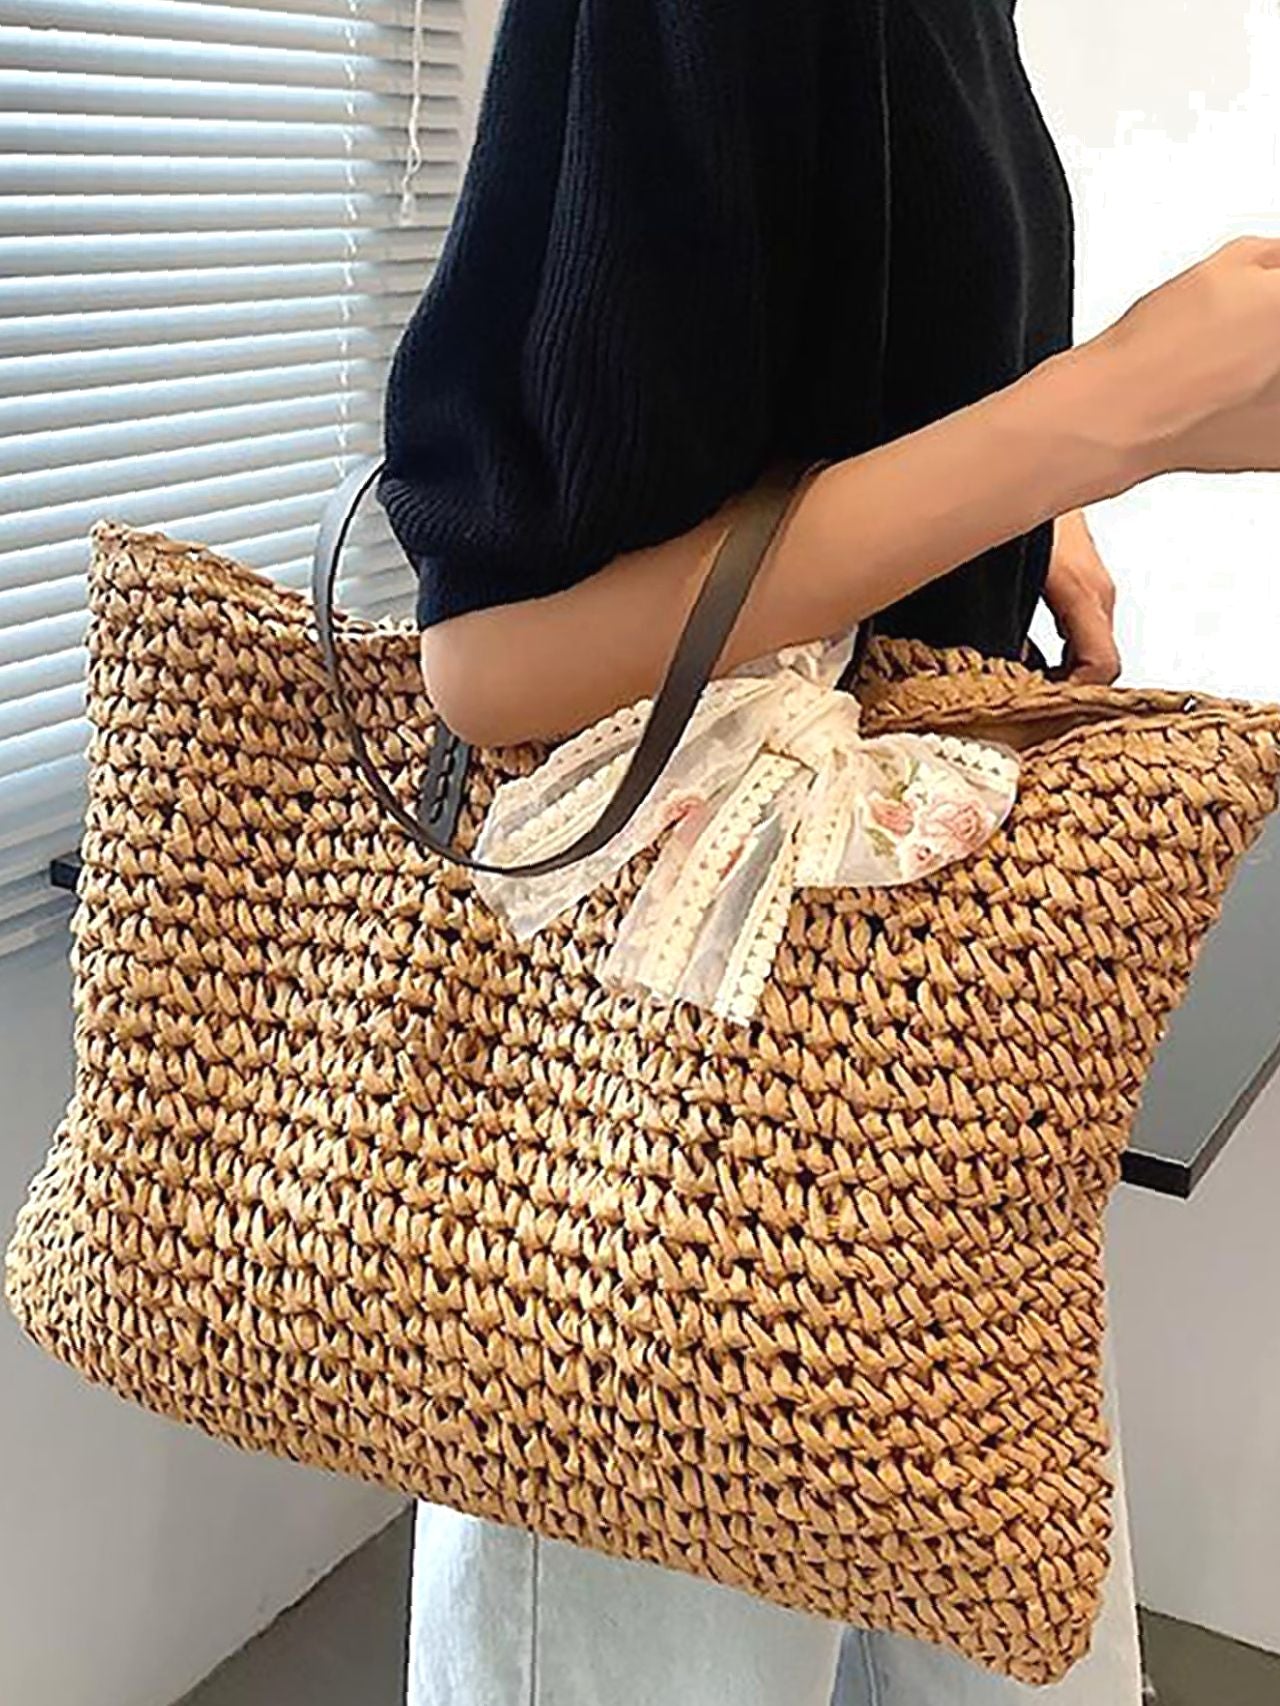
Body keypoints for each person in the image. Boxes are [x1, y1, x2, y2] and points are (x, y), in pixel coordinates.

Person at [379, 3, 1280, 1702]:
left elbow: (814, 374)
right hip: (641, 1147)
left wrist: (1030, 517)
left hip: (908, 1099)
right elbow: (488, 661)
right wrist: (1113, 411)